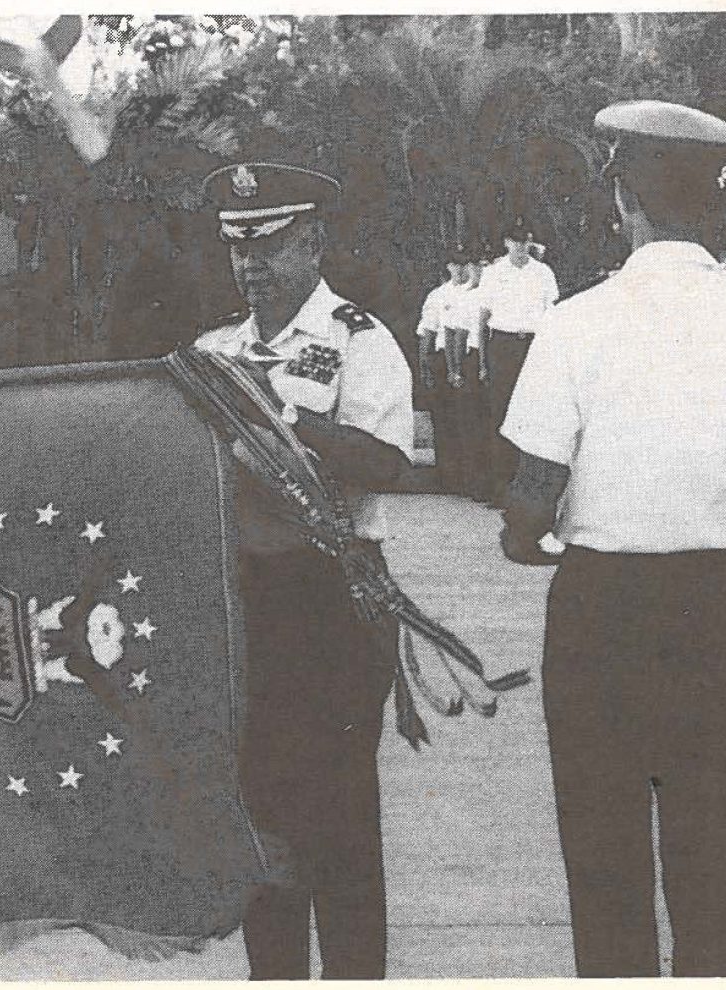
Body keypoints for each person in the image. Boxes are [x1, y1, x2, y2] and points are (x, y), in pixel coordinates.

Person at [498, 101, 726, 977]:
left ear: (623, 199)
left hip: (599, 609)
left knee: (603, 866)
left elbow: (531, 494)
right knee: (713, 869)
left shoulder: (574, 321)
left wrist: (527, 539)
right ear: (715, 206)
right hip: (717, 607)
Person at [195, 161, 414, 980]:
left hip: (333, 598)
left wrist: (277, 415)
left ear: (314, 243)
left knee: (340, 815)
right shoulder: (213, 349)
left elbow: (387, 463)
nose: (252, 265)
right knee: (262, 815)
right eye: (239, 250)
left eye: (272, 247)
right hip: (245, 601)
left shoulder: (358, 340)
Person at [477, 216, 558, 505]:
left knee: (534, 413)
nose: (521, 246)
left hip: (533, 345)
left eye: (526, 240)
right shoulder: (494, 274)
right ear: (506, 243)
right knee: (501, 413)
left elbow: (551, 315)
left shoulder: (543, 273)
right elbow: (483, 319)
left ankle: (529, 490)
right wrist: (483, 361)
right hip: (503, 345)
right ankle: (501, 487)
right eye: (516, 241)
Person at [416, 251, 488, 498]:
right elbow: (427, 332)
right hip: (440, 357)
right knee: (443, 417)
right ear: (448, 266)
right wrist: (424, 365)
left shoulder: (475, 293)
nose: (461, 270)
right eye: (456, 265)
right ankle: (447, 475)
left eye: (464, 265)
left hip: (462, 357)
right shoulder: (438, 295)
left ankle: (466, 477)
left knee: (465, 418)